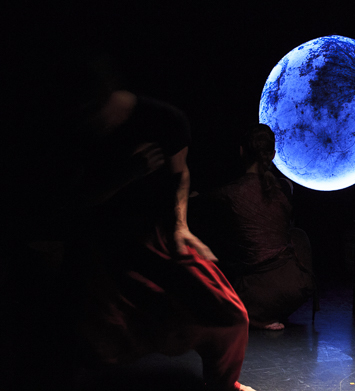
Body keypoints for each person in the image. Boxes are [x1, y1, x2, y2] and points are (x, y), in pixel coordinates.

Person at [56, 83, 256, 391]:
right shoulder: (80, 128)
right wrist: (126, 175)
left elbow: (180, 172)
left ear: (109, 95)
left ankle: (224, 384)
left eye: (97, 110)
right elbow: (70, 205)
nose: (95, 119)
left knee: (229, 314)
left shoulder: (162, 118)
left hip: (156, 233)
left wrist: (180, 227)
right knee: (99, 336)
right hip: (103, 240)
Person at [198, 124, 317, 331]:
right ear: (273, 154)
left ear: (242, 151)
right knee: (295, 235)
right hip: (298, 288)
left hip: (260, 290)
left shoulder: (229, 193)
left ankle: (256, 313)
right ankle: (266, 310)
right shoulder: (284, 188)